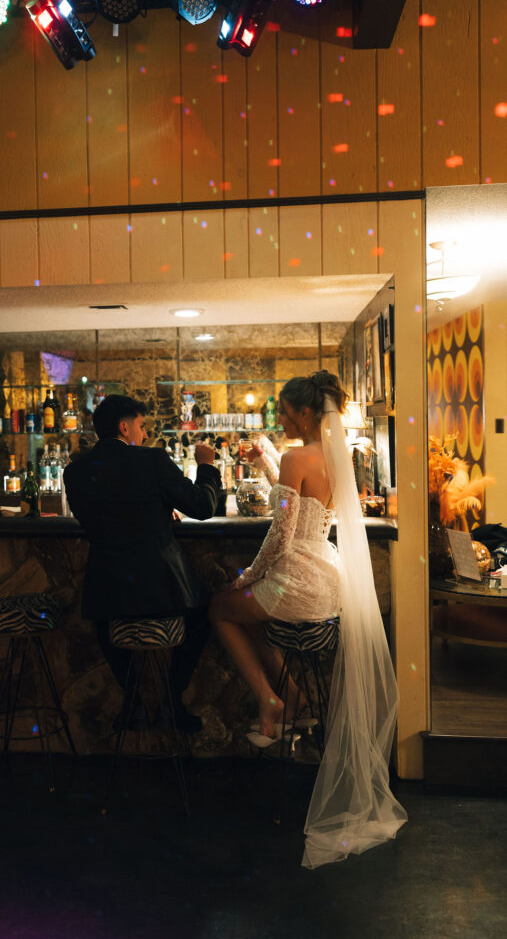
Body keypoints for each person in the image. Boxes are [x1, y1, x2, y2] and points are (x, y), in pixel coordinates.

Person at [209, 370, 406, 867]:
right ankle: (292, 695)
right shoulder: (339, 458)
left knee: (220, 608)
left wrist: (245, 577)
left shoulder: (297, 455)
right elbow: (300, 503)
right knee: (253, 614)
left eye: (281, 410)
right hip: (326, 581)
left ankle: (271, 703)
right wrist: (265, 465)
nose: (278, 417)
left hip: (294, 579)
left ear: (301, 411)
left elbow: (280, 534)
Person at [63, 394, 221, 732]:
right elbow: (203, 507)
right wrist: (206, 466)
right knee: (202, 616)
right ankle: (170, 701)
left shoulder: (74, 473)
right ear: (124, 427)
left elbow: (103, 517)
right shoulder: (151, 461)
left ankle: (132, 700)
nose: (144, 433)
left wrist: (159, 508)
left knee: (106, 627)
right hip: (163, 591)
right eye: (141, 425)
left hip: (106, 593)